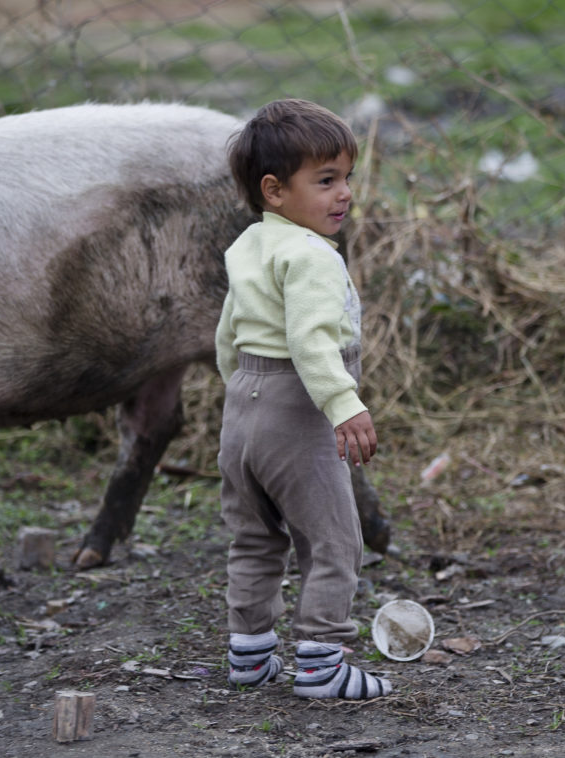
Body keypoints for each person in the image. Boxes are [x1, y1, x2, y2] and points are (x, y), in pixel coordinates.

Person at [215, 98, 392, 699]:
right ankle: (321, 662)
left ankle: (250, 654)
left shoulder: (248, 247)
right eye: (325, 181)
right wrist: (345, 405)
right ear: (274, 190)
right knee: (334, 539)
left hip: (243, 406)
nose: (344, 194)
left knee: (255, 537)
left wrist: (239, 397)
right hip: (298, 409)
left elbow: (227, 333)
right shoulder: (312, 255)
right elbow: (310, 341)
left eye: (346, 178)